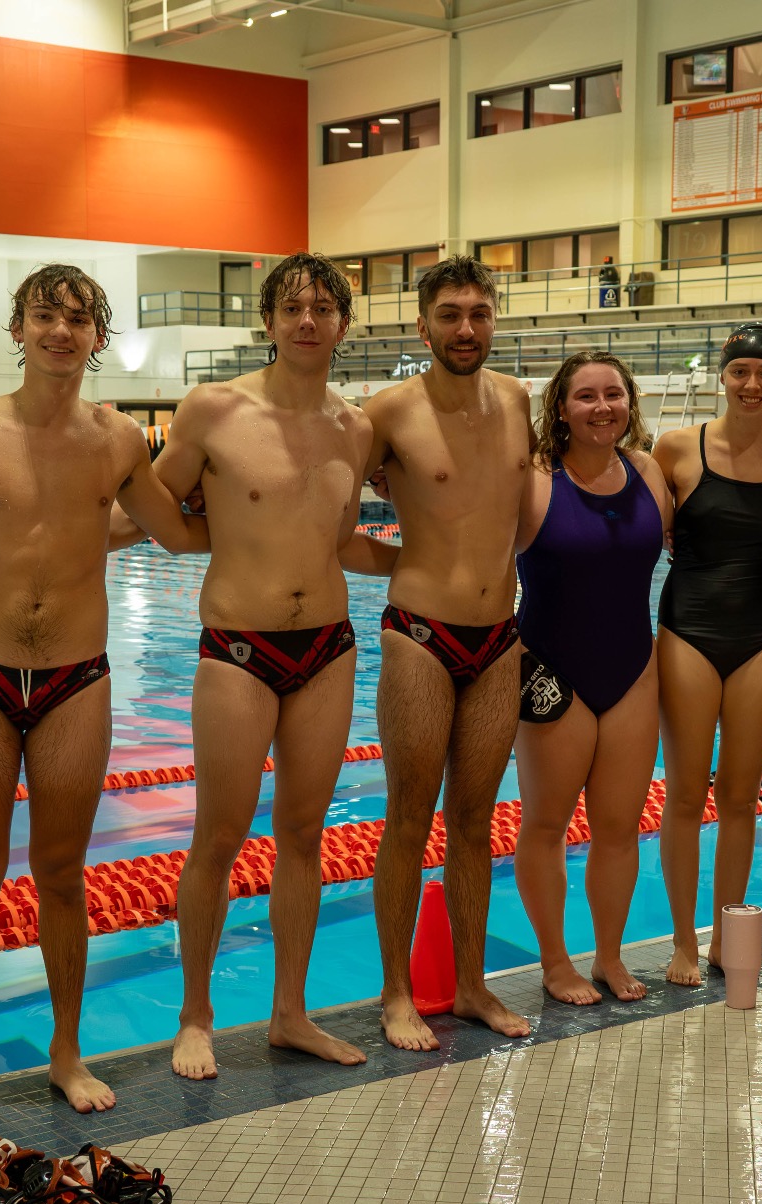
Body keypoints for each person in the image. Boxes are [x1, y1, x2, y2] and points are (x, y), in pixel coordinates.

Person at [0, 264, 208, 1119]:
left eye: (78, 319)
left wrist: (267, 505)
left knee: (63, 873)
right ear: (19, 327)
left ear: (97, 337)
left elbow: (174, 534)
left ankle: (67, 1051)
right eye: (46, 316)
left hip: (77, 677)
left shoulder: (116, 441)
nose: (61, 332)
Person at [150, 254, 397, 1079]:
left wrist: (415, 563)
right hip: (239, 651)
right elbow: (160, 512)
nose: (308, 320)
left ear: (343, 325)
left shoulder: (354, 427)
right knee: (218, 835)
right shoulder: (215, 408)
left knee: (303, 835)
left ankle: (291, 1014)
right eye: (292, 307)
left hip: (327, 646)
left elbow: (336, 542)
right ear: (267, 321)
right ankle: (195, 1016)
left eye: (325, 308)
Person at [362, 256, 534, 1050]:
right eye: (450, 315)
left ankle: (470, 985)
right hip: (422, 637)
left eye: (479, 313)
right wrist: (402, 564)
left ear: (494, 317)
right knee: (407, 818)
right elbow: (321, 523)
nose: (466, 329)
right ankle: (397, 992)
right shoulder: (387, 411)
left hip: (500, 639)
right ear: (421, 325)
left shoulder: (516, 400)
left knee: (473, 821)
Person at [654, 324, 762, 987]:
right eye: (741, 371)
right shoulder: (675, 450)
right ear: (722, 376)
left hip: (761, 638)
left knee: (742, 797)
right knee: (687, 795)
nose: (752, 384)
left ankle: (727, 935)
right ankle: (684, 943)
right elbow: (651, 538)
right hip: (688, 632)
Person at [515, 353, 671, 1003]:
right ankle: (556, 962)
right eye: (586, 396)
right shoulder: (533, 481)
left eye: (614, 394)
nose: (602, 406)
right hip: (552, 672)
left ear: (630, 403)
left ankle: (608, 956)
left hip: (633, 669)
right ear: (560, 408)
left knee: (619, 826)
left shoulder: (649, 472)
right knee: (546, 825)